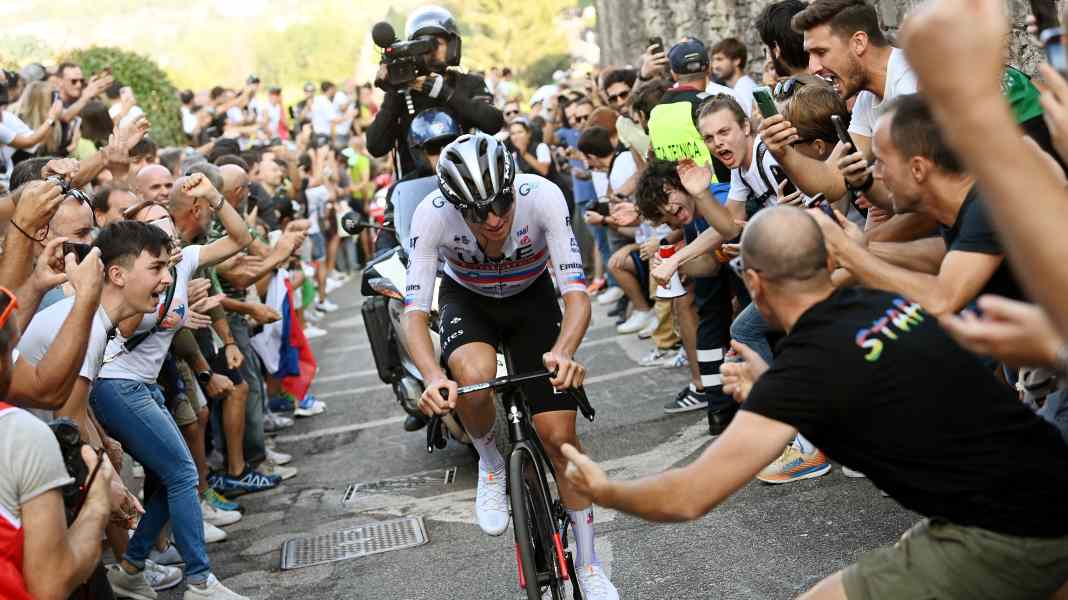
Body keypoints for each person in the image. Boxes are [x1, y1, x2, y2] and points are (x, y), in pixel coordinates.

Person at [561, 205, 1068, 600]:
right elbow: (873, 398)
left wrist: (606, 490)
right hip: (1049, 478)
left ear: (753, 283)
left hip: (1012, 530)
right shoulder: (882, 301)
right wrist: (770, 391)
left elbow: (688, 496)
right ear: (829, 261)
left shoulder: (804, 372)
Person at [403, 132, 617, 599]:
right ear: (455, 204)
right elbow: (414, 314)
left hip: (532, 298)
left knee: (561, 440)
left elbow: (576, 294)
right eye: (477, 212)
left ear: (510, 184)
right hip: (469, 300)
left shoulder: (541, 196)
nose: (494, 219)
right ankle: (490, 461)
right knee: (474, 380)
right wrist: (433, 376)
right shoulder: (431, 215)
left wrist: (563, 351)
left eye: (500, 203)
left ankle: (589, 563)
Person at [91, 173, 251, 600]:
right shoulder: (138, 278)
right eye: (153, 226)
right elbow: (118, 328)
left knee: (168, 479)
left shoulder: (184, 263)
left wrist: (214, 198)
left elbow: (240, 238)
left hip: (144, 385)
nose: (165, 232)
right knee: (181, 473)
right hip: (115, 383)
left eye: (168, 223)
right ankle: (200, 580)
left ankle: (129, 568)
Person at [809, 94, 1025, 316]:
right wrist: (862, 247)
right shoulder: (966, 205)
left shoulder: (989, 207)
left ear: (918, 169)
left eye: (881, 162)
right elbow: (941, 255)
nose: (877, 175)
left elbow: (943, 299)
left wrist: (848, 252)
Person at [760, 0, 917, 211]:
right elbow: (832, 182)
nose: (813, 68)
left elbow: (925, 202)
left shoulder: (911, 85)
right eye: (810, 54)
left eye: (821, 52)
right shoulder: (867, 98)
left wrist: (865, 242)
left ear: (859, 43)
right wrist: (782, 152)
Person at [366, 5, 503, 177]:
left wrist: (445, 93)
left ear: (452, 45)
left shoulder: (469, 83)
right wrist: (393, 92)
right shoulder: (403, 93)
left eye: (435, 44)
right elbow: (376, 146)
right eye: (421, 44)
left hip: (468, 184)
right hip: (415, 193)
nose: (429, 51)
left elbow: (494, 122)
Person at [710, 38, 757, 115]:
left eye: (719, 59)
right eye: (713, 60)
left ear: (736, 60)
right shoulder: (739, 87)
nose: (714, 66)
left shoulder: (745, 89)